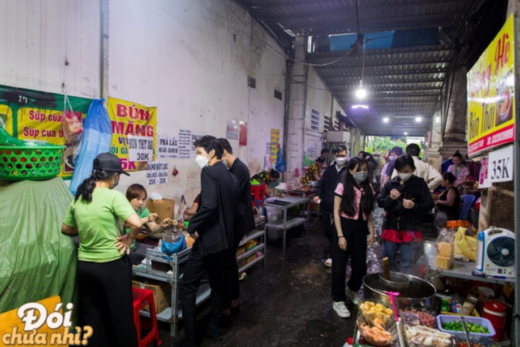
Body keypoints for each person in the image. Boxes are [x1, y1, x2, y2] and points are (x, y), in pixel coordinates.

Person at [61, 153, 141, 347]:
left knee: (93, 319)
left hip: (86, 267)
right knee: (121, 319)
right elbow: (136, 223)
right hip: (112, 266)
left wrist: (88, 227)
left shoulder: (81, 196)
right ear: (114, 176)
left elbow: (66, 228)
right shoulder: (113, 196)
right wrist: (129, 239)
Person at [176, 136, 239, 347]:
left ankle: (191, 339)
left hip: (209, 241)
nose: (197, 157)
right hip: (226, 241)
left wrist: (192, 227)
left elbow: (209, 205)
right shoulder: (230, 176)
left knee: (187, 286)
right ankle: (214, 328)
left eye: (200, 153)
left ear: (212, 153)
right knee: (217, 284)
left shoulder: (209, 171)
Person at [332, 157, 375, 318]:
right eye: (358, 170)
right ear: (350, 171)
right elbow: (336, 212)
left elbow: (369, 211)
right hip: (344, 226)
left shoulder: (368, 187)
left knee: (360, 266)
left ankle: (353, 289)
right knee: (339, 266)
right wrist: (340, 235)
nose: (362, 173)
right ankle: (338, 299)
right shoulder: (343, 186)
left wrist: (372, 231)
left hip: (360, 228)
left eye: (365, 170)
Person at [378, 155, 434, 274]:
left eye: (406, 171)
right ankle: (390, 286)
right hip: (392, 227)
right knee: (387, 261)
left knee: (407, 264)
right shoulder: (390, 184)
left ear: (413, 169)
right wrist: (390, 198)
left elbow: (429, 204)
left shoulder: (419, 184)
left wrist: (414, 206)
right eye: (400, 171)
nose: (403, 173)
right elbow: (380, 202)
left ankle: (404, 288)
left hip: (411, 228)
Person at [219, 138, 255, 320]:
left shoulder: (238, 169)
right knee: (229, 263)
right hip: (234, 222)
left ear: (224, 152)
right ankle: (232, 301)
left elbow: (230, 196)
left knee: (227, 264)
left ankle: (229, 304)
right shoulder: (233, 169)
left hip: (237, 223)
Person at [313, 145, 348, 267]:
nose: (340, 158)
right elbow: (321, 184)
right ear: (334, 156)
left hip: (343, 207)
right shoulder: (329, 170)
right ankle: (336, 247)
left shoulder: (349, 169)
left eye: (343, 155)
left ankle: (333, 255)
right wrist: (318, 195)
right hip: (328, 205)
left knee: (336, 231)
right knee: (327, 230)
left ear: (346, 155)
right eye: (338, 156)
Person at [124, 184, 172, 250]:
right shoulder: (123, 209)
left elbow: (154, 228)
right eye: (138, 199)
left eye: (143, 199)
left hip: (133, 244)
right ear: (129, 198)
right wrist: (148, 219)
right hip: (123, 246)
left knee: (156, 251)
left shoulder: (143, 210)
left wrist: (161, 225)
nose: (141, 202)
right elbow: (127, 224)